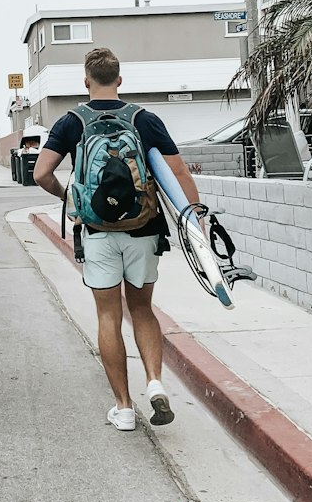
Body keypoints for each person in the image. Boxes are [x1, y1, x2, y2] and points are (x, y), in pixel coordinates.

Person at [33, 47, 202, 431]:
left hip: (97, 232)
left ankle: (124, 408)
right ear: (120, 80)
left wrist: (68, 197)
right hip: (143, 230)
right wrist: (197, 226)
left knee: (109, 316)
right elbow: (179, 176)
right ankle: (155, 381)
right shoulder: (145, 119)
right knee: (142, 310)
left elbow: (42, 173)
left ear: (86, 81)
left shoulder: (71, 122)